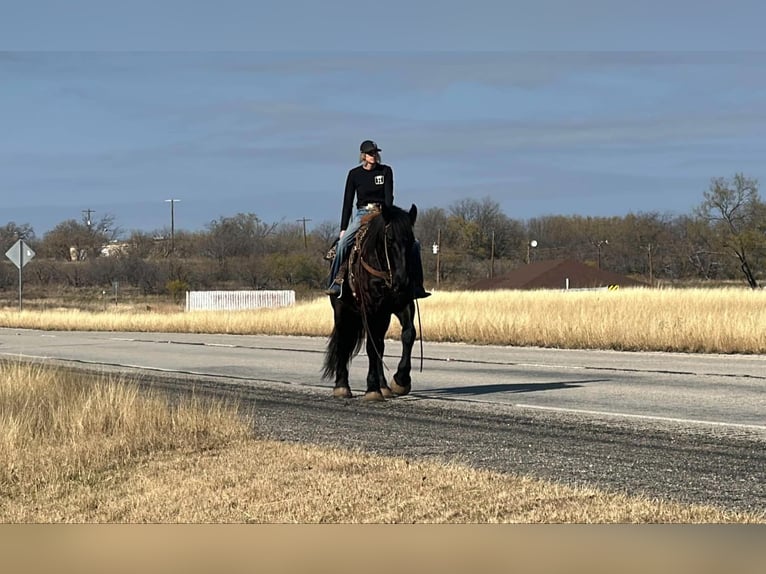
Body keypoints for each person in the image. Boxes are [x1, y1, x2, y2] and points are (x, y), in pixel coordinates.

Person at [325, 139, 431, 299]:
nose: (373, 155)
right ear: (363, 156)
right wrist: (343, 228)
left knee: (414, 244)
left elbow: (389, 196)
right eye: (370, 153)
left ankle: (416, 285)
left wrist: (388, 215)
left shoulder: (386, 171)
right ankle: (336, 282)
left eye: (375, 152)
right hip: (363, 213)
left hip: (383, 212)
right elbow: (347, 203)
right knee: (342, 244)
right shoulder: (354, 174)